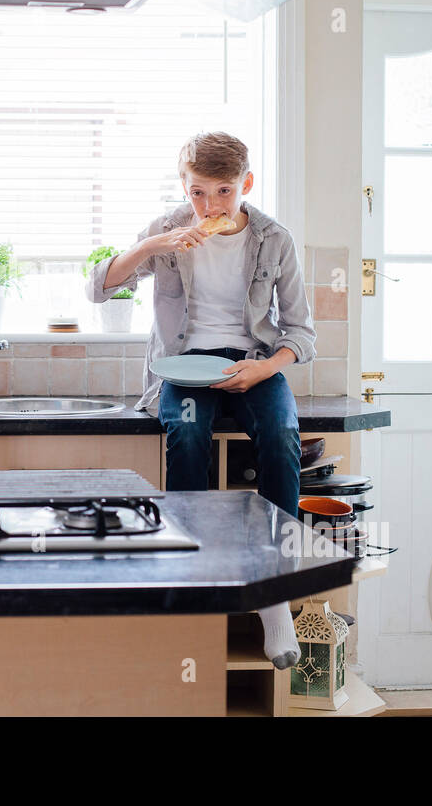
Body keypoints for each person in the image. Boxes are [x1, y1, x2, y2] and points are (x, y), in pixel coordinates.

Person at [85, 131, 316, 668]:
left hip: (253, 361)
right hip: (184, 363)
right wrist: (148, 248)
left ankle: (274, 593)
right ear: (183, 187)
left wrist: (265, 367)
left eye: (222, 191)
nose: (208, 206)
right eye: (197, 193)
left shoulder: (274, 239)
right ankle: (194, 573)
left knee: (282, 436)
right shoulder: (168, 230)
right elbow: (99, 287)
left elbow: (301, 333)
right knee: (187, 432)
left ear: (246, 185)